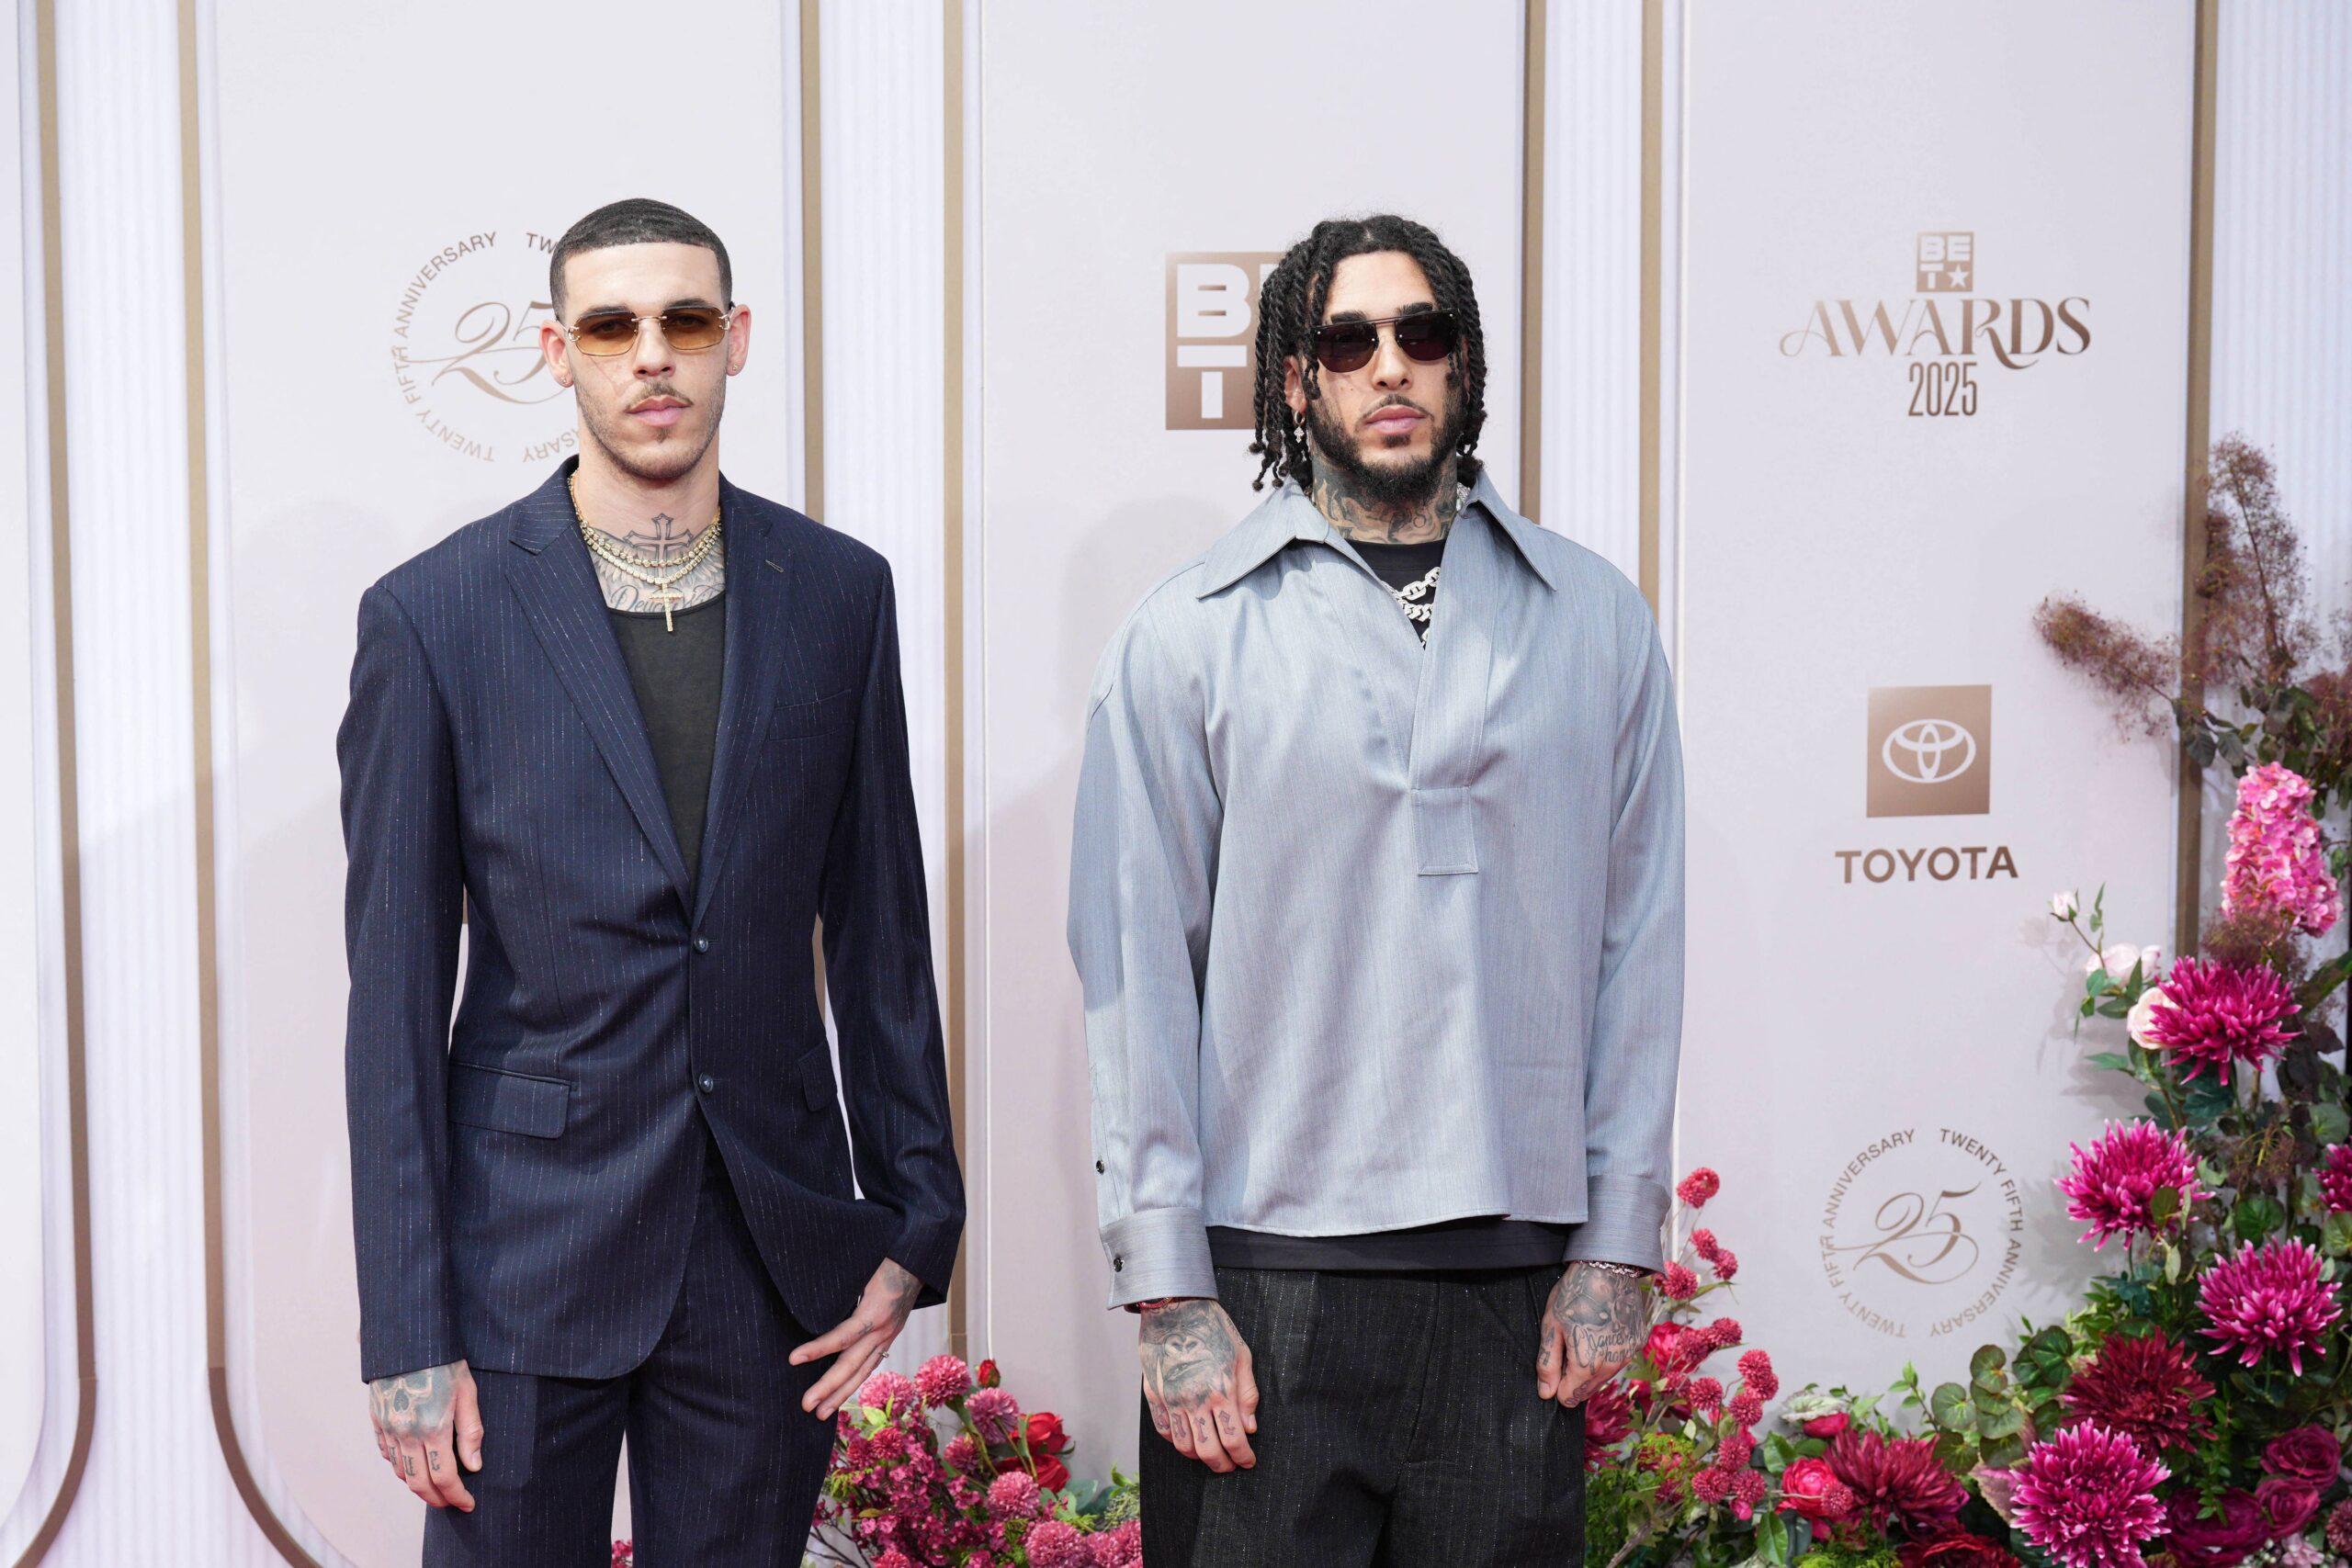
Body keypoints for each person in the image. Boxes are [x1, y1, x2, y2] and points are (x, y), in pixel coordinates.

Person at [339, 197, 962, 1565]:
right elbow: (390, 999)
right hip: (520, 1260)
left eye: (685, 321)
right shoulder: (434, 618)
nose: (653, 357)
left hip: (765, 1257)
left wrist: (918, 1218)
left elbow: (880, 933)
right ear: (559, 354)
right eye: (613, 327)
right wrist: (406, 1326)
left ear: (735, 341)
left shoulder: (840, 595)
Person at [1068, 212, 1686, 1565]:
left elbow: (1641, 942)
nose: (1390, 365)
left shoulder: (1596, 618)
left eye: (1424, 335)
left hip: (1518, 1295)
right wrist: (1169, 1291)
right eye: (1350, 340)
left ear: (1464, 367)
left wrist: (1616, 1240)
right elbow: (1135, 970)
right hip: (1264, 1287)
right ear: (1299, 380)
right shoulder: (1189, 635)